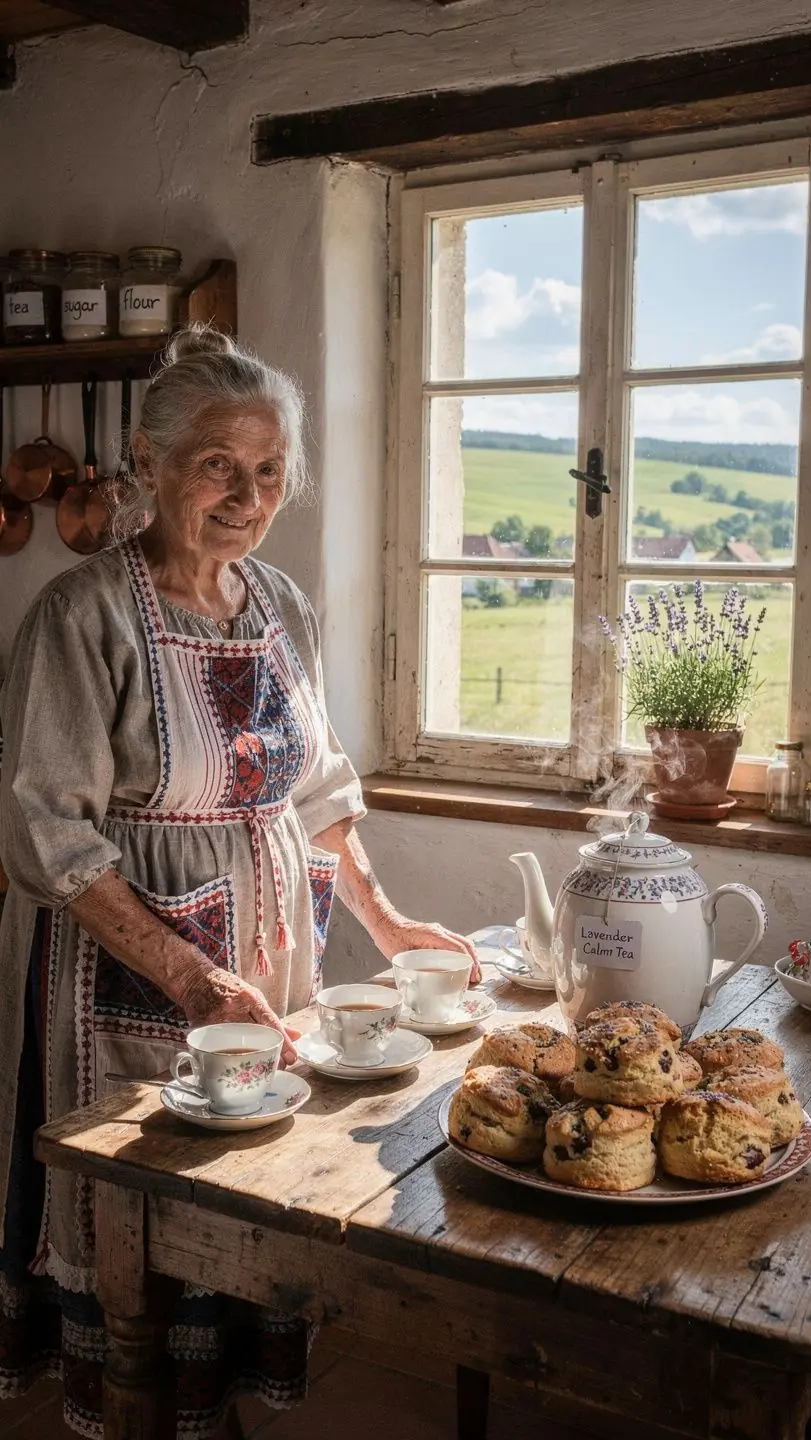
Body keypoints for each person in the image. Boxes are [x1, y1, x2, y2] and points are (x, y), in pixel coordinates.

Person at [0, 326, 478, 1437]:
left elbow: (316, 792)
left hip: (271, 956)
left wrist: (389, 920)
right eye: (218, 463)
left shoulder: (280, 605)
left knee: (247, 1195)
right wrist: (185, 975)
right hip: (125, 973)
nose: (245, 493)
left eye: (268, 472)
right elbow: (47, 836)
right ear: (148, 462)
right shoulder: (84, 615)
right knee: (133, 1213)